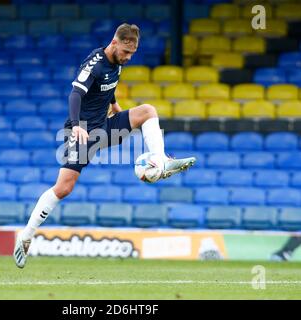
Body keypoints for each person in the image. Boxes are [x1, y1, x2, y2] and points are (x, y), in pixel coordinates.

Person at [14, 23, 196, 268]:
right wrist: (77, 125)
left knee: (147, 111)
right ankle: (26, 235)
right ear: (114, 42)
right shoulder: (95, 64)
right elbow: (75, 94)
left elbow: (108, 85)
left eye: (132, 53)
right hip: (82, 133)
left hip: (105, 126)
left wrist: (114, 104)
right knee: (64, 188)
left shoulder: (117, 62)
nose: (129, 57)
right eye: (126, 52)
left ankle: (160, 159)